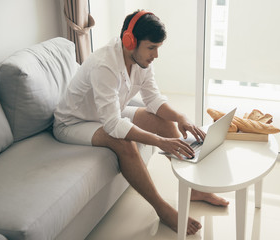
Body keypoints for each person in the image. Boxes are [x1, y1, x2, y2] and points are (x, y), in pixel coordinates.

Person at [53, 10, 228, 235]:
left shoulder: (141, 60)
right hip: (73, 123)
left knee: (164, 122)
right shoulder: (105, 64)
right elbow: (113, 125)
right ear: (130, 41)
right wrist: (159, 142)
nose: (155, 55)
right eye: (152, 47)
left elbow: (153, 100)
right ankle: (162, 209)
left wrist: (181, 117)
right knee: (123, 142)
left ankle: (193, 189)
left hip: (104, 112)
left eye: (158, 48)